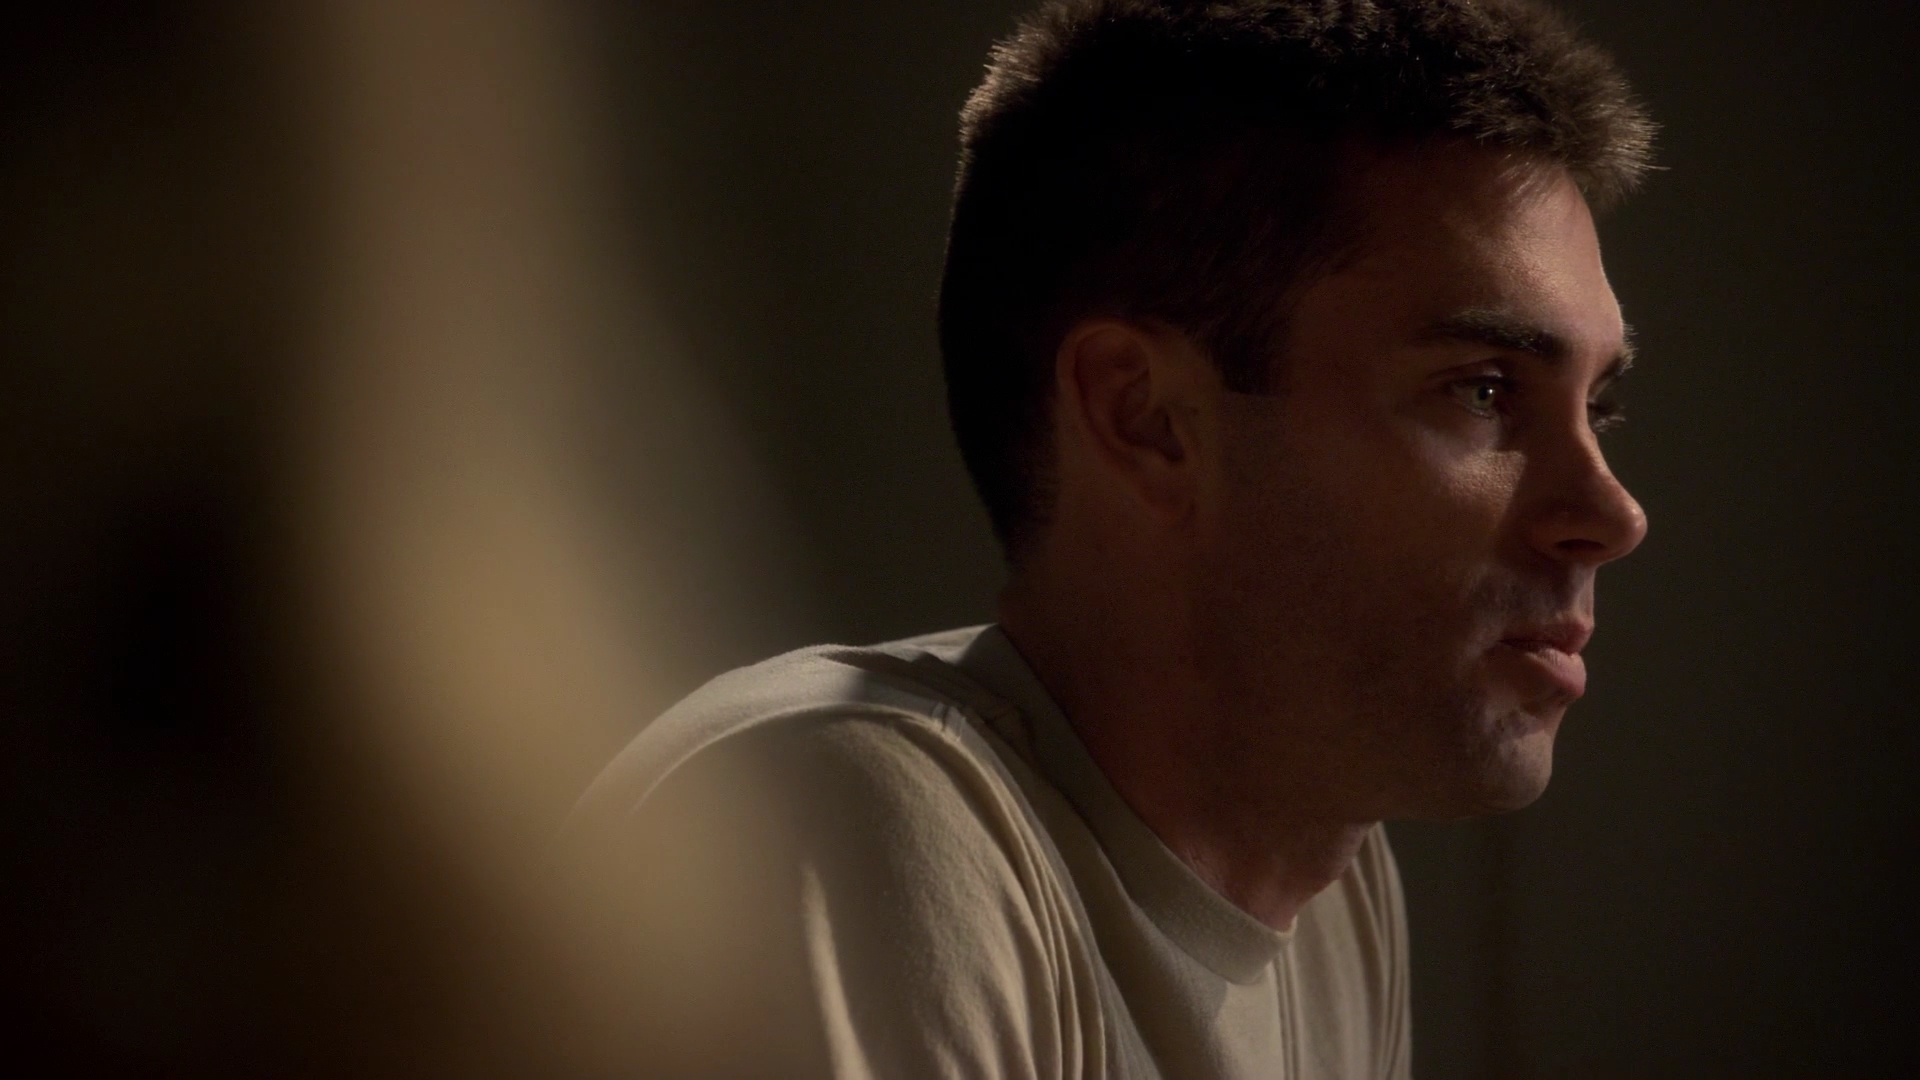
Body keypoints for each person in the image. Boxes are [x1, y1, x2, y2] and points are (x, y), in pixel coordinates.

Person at [567, 0, 1652, 1075]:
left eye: (1597, 408)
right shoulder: (851, 831)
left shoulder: (1334, 885)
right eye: (1483, 390)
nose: (1612, 516)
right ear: (1146, 419)